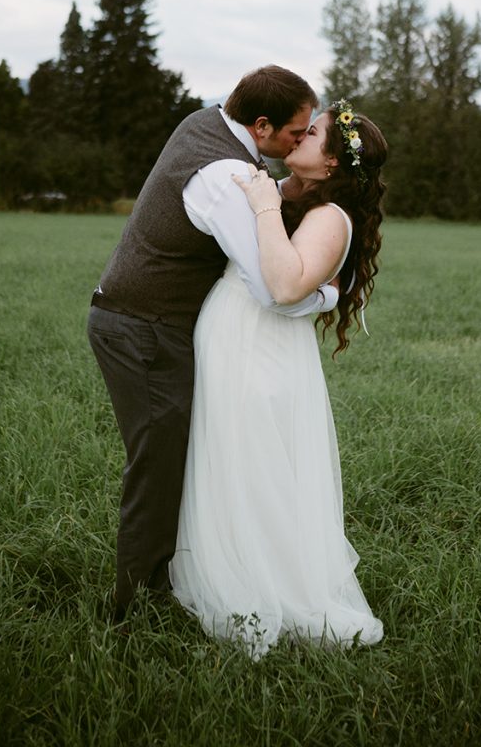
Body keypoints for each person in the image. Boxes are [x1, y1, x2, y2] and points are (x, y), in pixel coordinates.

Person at [87, 65, 340, 620]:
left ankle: (168, 579)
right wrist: (329, 298)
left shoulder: (205, 125)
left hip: (145, 321)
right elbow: (273, 288)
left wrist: (284, 191)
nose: (300, 141)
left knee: (174, 458)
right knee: (159, 466)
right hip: (142, 327)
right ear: (264, 124)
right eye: (297, 133)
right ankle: (132, 607)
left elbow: (253, 205)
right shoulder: (223, 172)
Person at [169, 99, 388, 657]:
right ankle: (231, 566)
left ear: (333, 162)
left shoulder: (330, 218)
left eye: (310, 135)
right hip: (231, 338)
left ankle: (271, 587)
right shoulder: (291, 193)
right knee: (228, 459)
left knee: (259, 462)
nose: (296, 140)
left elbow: (288, 286)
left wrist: (265, 206)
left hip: (261, 350)